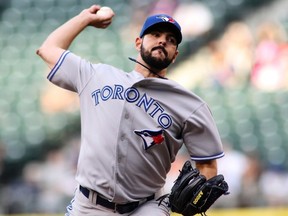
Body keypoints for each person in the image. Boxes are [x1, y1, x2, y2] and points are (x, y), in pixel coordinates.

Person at [36, 5, 224, 216]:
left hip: (147, 207)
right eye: (155, 34)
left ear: (175, 55)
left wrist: (196, 196)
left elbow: (207, 165)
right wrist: (84, 19)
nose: (163, 40)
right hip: (89, 206)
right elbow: (48, 49)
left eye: (171, 40)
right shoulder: (97, 76)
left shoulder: (190, 105)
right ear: (138, 42)